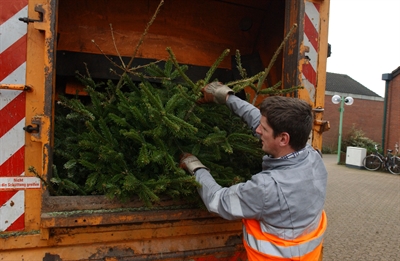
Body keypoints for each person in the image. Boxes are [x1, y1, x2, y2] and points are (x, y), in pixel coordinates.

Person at [180, 82, 328, 261]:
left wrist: (195, 167)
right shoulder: (313, 157)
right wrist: (227, 97)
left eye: (263, 129)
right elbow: (256, 118)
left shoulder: (267, 188)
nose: (257, 130)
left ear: (283, 138)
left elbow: (217, 201)